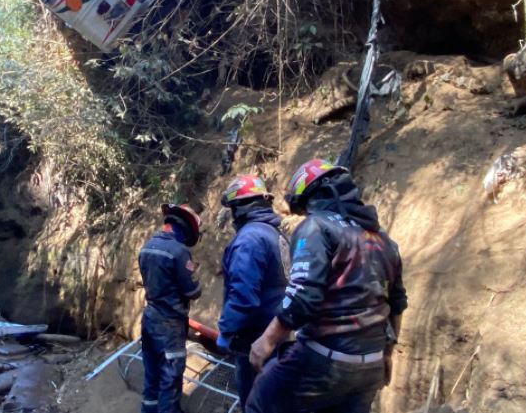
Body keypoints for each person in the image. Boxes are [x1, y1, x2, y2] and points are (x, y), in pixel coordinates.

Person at [247, 159, 407, 413]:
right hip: (371, 366)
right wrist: (387, 353)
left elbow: (302, 296)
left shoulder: (316, 227)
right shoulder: (384, 241)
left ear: (311, 197)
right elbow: (397, 304)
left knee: (261, 400)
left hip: (325, 359)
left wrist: (265, 341)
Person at [216, 175, 288, 409]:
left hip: (254, 342)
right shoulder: (278, 236)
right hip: (279, 336)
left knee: (253, 404)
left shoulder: (249, 238)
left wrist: (226, 333)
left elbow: (243, 296)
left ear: (240, 208)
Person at [138, 203, 203, 413]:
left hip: (149, 319)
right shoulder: (179, 251)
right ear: (186, 228)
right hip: (170, 326)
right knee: (170, 380)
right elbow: (193, 291)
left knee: (152, 376)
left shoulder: (146, 246)